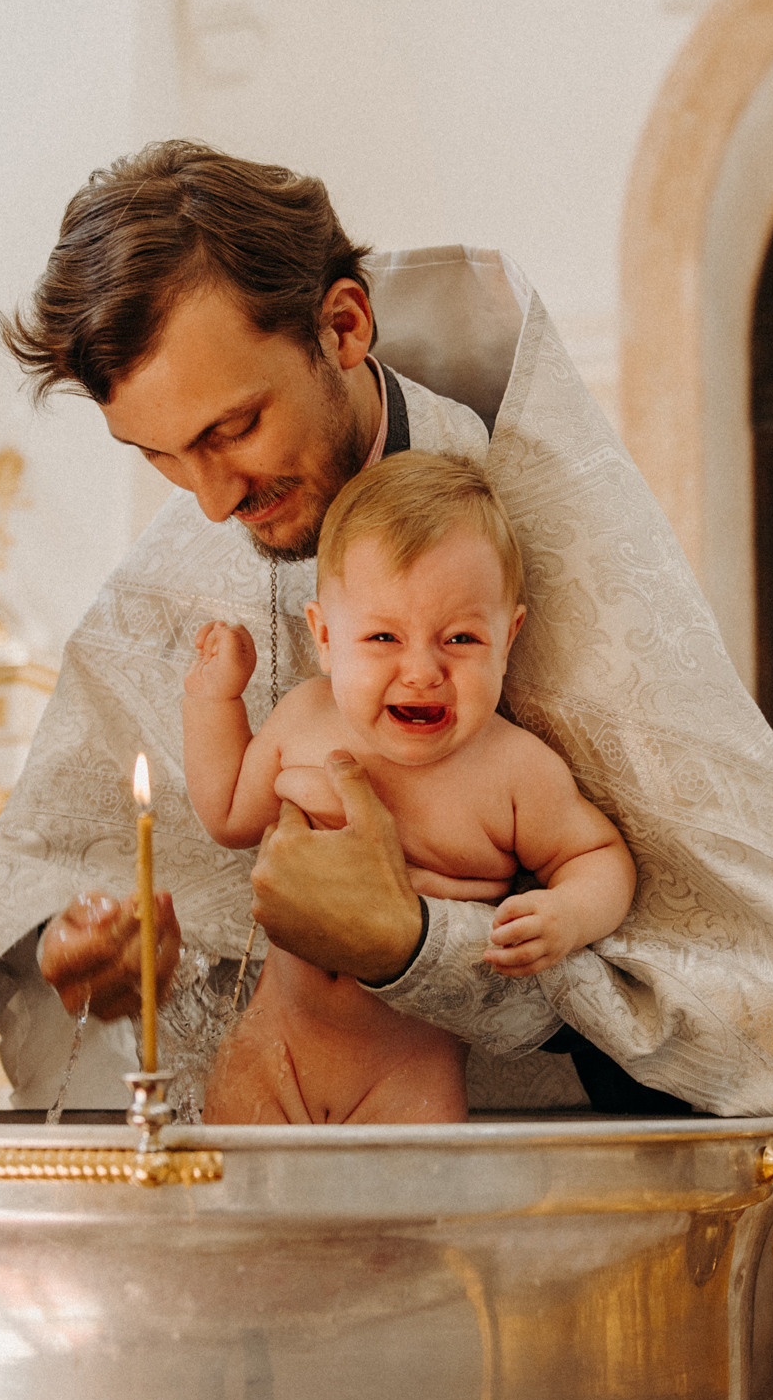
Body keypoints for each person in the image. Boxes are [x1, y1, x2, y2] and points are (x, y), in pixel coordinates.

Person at [0, 142, 773, 1400]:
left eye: (232, 427)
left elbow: (750, 969)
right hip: (270, 1275)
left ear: (343, 324)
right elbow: (56, 879)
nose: (215, 498)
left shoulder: (551, 535)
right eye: (163, 456)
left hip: (557, 1276)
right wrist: (96, 959)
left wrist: (424, 945)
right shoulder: (181, 584)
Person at [186, 451, 636, 1124]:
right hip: (271, 1045)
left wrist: (570, 914)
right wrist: (213, 701)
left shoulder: (513, 769)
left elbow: (599, 857)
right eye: (383, 637)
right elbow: (227, 815)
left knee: (405, 1224)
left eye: (459, 638)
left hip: (407, 1070)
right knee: (231, 1216)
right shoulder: (306, 719)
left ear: (508, 638)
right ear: (325, 637)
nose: (421, 671)